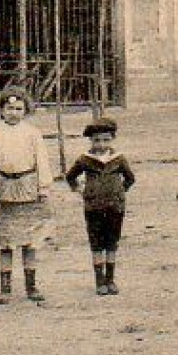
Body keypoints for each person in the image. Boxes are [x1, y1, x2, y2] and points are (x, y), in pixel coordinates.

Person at [0, 87, 55, 304]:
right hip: (3, 186)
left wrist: (43, 187)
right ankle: (5, 288)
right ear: (1, 109)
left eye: (19, 108)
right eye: (9, 108)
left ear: (26, 110)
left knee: (30, 239)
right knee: (6, 240)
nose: (14, 112)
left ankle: (31, 286)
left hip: (28, 186)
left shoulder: (32, 133)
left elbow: (42, 160)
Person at [65, 118, 136, 296]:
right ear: (91, 140)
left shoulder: (118, 159)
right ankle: (99, 280)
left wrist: (120, 192)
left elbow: (130, 178)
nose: (101, 144)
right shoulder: (85, 160)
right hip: (93, 208)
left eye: (106, 139)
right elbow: (70, 176)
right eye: (97, 140)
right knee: (96, 243)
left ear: (112, 139)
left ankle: (110, 279)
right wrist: (81, 190)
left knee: (112, 242)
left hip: (115, 208)